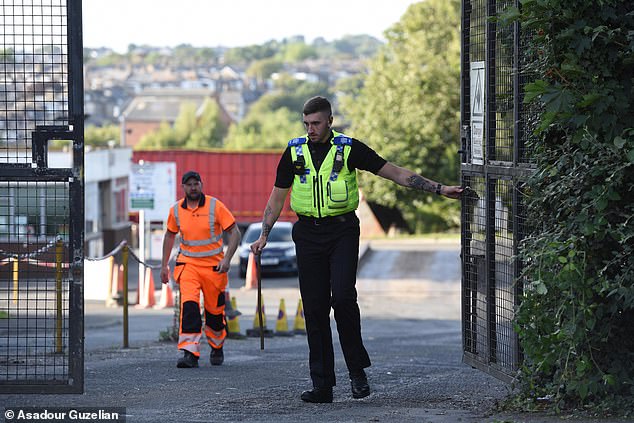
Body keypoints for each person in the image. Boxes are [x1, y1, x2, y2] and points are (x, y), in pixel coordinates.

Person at [250, 96, 463, 403]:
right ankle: (322, 385)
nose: (311, 129)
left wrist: (439, 189)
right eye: (306, 123)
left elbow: (394, 172)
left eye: (316, 123)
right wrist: (264, 235)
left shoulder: (348, 149)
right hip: (307, 233)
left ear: (330, 121)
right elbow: (276, 198)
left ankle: (356, 372)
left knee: (344, 298)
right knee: (314, 309)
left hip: (342, 231)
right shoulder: (294, 152)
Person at [160, 170, 241, 368]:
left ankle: (217, 345)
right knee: (189, 307)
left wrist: (228, 259)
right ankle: (189, 352)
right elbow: (169, 236)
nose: (193, 187)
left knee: (214, 311)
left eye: (196, 183)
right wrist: (164, 266)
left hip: (214, 267)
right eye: (189, 184)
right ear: (183, 188)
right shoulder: (176, 210)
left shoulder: (215, 206)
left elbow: (235, 232)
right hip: (188, 266)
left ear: (201, 185)